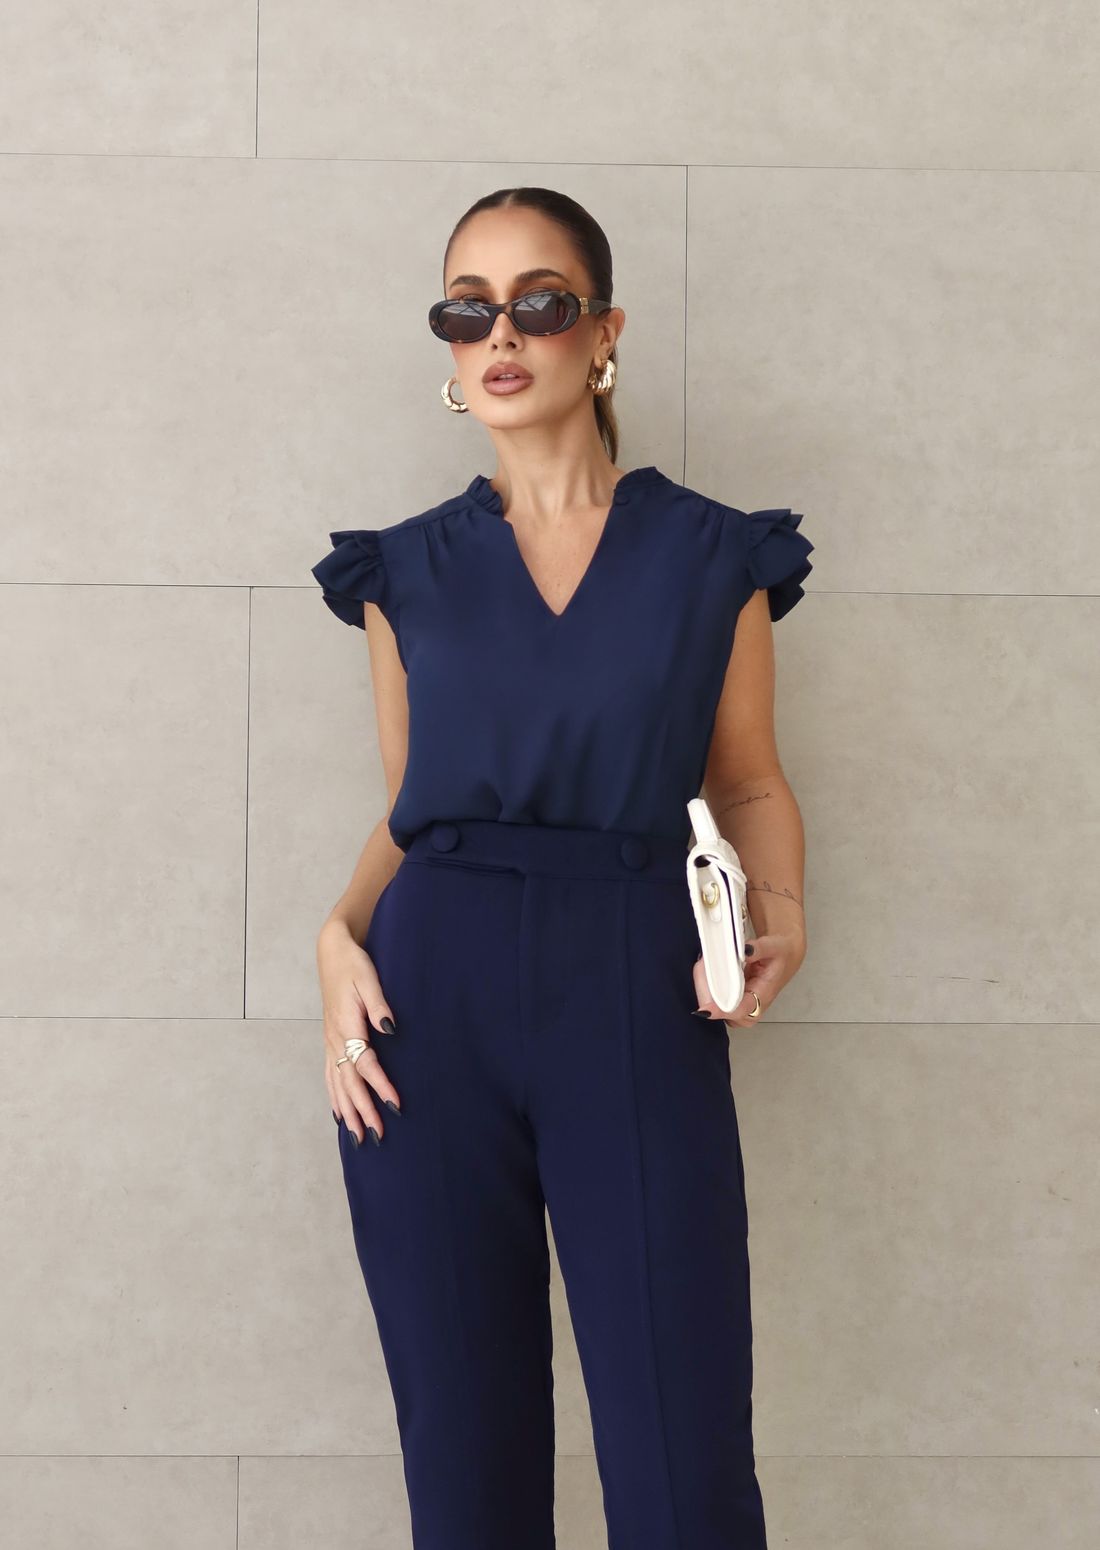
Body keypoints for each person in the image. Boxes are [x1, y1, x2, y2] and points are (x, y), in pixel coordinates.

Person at [310, 185, 813, 1550]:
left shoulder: (713, 555)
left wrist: (782, 912)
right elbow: (412, 812)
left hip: (636, 985)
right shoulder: (404, 572)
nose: (502, 333)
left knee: (683, 1465)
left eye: (539, 302)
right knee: (464, 1467)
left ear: (603, 334)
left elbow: (747, 778)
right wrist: (334, 938)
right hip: (427, 1005)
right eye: (467, 308)